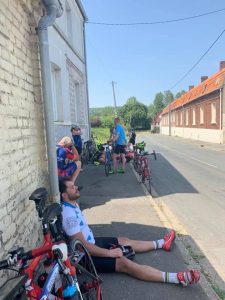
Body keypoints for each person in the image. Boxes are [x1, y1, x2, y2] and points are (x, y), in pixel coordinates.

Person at [59, 177, 200, 286]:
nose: (76, 188)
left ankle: (163, 243)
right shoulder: (68, 215)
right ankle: (177, 278)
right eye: (72, 187)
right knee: (125, 264)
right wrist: (110, 253)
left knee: (124, 240)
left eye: (75, 185)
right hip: (84, 257)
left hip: (91, 243)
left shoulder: (72, 203)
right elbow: (80, 246)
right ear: (64, 195)